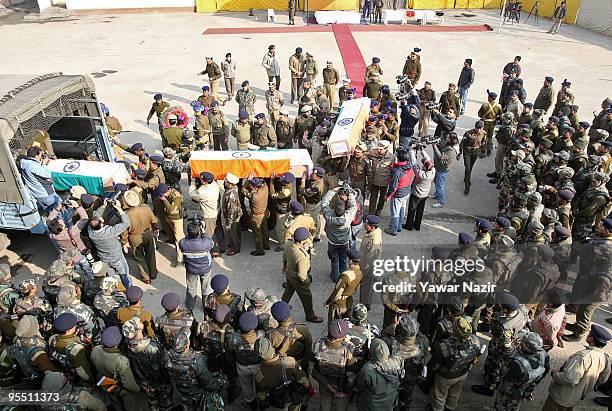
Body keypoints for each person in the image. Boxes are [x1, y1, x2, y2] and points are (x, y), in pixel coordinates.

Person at [542, 324, 611, 411]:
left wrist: (555, 374)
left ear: (591, 338)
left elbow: (569, 379)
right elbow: (603, 378)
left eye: (589, 333)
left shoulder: (582, 357)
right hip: (576, 395)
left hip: (561, 397)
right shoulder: (605, 358)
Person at [429, 318, 482, 411]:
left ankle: (437, 409)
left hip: (446, 376)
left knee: (440, 395)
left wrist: (430, 372)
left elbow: (435, 364)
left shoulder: (444, 345)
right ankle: (450, 407)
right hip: (463, 373)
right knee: (455, 392)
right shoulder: (475, 340)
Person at [164, 328, 223, 410]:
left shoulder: (167, 357)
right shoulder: (195, 360)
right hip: (198, 395)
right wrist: (216, 387)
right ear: (187, 345)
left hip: (182, 392)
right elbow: (207, 381)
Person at [122, 316, 173, 410]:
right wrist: (163, 381)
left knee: (152, 401)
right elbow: (160, 368)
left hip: (143, 382)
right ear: (137, 331)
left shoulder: (126, 346)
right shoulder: (152, 347)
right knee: (165, 400)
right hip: (158, 382)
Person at [493, 332, 549, 410]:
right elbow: (545, 371)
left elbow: (506, 383)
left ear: (526, 347)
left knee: (501, 407)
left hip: (510, 392)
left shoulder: (519, 364)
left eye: (522, 342)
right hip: (525, 388)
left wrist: (508, 349)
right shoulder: (544, 355)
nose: (520, 341)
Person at [254, 337, 312, 411]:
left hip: (278, 401)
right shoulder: (289, 361)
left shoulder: (259, 373)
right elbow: (304, 381)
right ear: (272, 349)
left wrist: (263, 403)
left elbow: (261, 395)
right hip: (293, 397)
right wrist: (309, 388)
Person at [383, 315, 428, 409]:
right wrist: (413, 328)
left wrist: (394, 325)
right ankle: (404, 406)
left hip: (394, 376)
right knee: (407, 393)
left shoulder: (391, 344)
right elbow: (422, 336)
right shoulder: (422, 343)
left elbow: (383, 335)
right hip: (411, 376)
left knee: (392, 393)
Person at [312, 319, 358, 411]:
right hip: (342, 386)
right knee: (341, 407)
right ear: (342, 337)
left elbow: (313, 370)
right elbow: (351, 376)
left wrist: (328, 386)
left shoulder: (317, 344)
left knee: (325, 404)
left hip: (324, 383)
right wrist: (346, 391)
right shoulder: (348, 350)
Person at [91, 326, 140, 410]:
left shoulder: (95, 350)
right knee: (130, 405)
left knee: (115, 403)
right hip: (120, 388)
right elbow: (128, 383)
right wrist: (137, 390)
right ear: (118, 342)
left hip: (105, 384)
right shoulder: (121, 361)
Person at [281, 227, 322, 323]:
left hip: (289, 273)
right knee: (307, 298)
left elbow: (284, 256)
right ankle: (310, 316)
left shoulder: (288, 243)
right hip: (298, 279)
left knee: (288, 292)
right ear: (303, 241)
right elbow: (302, 276)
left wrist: (284, 267)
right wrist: (307, 281)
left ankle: (280, 308)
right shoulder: (301, 256)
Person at [88, 199, 132, 289]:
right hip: (117, 257)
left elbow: (95, 218)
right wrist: (119, 208)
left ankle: (113, 289)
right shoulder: (110, 232)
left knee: (110, 276)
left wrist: (103, 206)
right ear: (101, 225)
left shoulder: (91, 232)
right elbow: (126, 223)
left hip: (104, 258)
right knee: (124, 274)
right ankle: (129, 289)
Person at [226, 312, 264, 409]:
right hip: (258, 367)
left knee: (247, 386)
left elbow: (229, 351)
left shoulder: (234, 337)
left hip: (242, 367)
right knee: (261, 384)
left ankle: (251, 402)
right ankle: (263, 400)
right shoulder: (261, 335)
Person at [48, 201, 93, 279]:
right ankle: (91, 278)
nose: (60, 219)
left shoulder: (52, 235)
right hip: (81, 254)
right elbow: (85, 218)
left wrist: (57, 209)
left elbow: (49, 221)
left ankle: (82, 280)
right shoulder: (73, 232)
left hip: (70, 258)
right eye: (60, 220)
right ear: (61, 226)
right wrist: (77, 206)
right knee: (87, 268)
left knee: (78, 271)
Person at [355, 338, 403, 411]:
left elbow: (360, 386)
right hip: (388, 403)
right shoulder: (397, 361)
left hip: (370, 406)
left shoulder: (368, 369)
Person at [121, 190, 158, 284]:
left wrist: (124, 242)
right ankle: (153, 273)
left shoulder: (126, 215)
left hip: (134, 238)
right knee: (151, 253)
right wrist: (155, 229)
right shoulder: (146, 208)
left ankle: (146, 277)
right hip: (148, 233)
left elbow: (124, 231)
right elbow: (154, 221)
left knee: (139, 257)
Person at [322, 187, 358, 283]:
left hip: (332, 242)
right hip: (344, 242)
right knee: (344, 259)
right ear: (344, 210)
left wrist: (332, 191)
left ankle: (335, 277)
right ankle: (344, 277)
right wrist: (350, 195)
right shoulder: (348, 217)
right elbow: (354, 206)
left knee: (334, 260)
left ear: (334, 209)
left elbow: (324, 203)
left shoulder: (329, 215)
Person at [48, 313, 95, 384]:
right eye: (74, 326)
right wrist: (92, 380)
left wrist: (75, 337)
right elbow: (82, 373)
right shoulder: (76, 348)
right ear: (68, 330)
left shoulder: (52, 339)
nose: (76, 327)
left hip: (62, 371)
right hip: (74, 378)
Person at [179, 221, 214, 311]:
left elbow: (186, 240)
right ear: (198, 232)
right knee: (206, 288)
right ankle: (206, 305)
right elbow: (211, 242)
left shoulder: (183, 243)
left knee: (191, 287)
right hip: (205, 269)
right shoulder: (205, 243)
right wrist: (203, 232)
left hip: (191, 270)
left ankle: (190, 305)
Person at [190, 171, 222, 257]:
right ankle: (220, 248)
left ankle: (215, 251)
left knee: (208, 234)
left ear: (206, 182)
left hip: (208, 215)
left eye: (201, 179)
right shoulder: (214, 184)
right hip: (215, 211)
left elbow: (192, 195)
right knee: (215, 230)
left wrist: (193, 182)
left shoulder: (203, 192)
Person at [325, 249, 362, 322]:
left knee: (334, 324)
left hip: (339, 304)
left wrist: (328, 302)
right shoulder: (360, 273)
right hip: (349, 300)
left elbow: (337, 293)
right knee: (346, 321)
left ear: (351, 261)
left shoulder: (345, 276)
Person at [19, 146, 61, 211]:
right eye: (41, 155)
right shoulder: (33, 166)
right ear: (36, 156)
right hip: (46, 194)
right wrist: (44, 164)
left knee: (50, 212)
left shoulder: (24, 162)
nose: (42, 156)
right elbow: (47, 175)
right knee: (58, 209)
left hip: (37, 194)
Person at [385, 147, 415, 235]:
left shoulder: (397, 171)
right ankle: (399, 226)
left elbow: (393, 187)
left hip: (398, 194)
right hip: (406, 191)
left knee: (395, 212)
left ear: (398, 158)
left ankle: (393, 230)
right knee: (402, 209)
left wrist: (388, 195)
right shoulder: (409, 165)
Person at [41, 372, 106, 411]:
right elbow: (101, 407)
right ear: (60, 386)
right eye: (61, 377)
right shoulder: (81, 396)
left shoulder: (44, 402)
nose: (62, 373)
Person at [404, 149, 435, 230]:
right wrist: (423, 151)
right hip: (425, 195)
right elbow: (428, 159)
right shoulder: (432, 171)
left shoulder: (420, 174)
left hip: (416, 194)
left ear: (424, 167)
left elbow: (414, 162)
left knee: (412, 209)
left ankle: (409, 226)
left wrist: (412, 152)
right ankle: (417, 225)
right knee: (420, 210)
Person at [156, 183, 184, 265]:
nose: (161, 197)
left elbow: (171, 209)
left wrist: (164, 199)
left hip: (176, 218)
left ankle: (180, 259)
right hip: (168, 217)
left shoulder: (176, 196)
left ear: (167, 191)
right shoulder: (164, 192)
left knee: (179, 238)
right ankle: (172, 240)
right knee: (172, 233)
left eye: (163, 195)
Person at [242, 176, 270, 256]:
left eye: (251, 184)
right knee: (264, 229)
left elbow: (243, 190)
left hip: (257, 216)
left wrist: (248, 180)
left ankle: (260, 250)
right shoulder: (265, 188)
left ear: (254, 187)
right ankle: (266, 245)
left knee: (257, 233)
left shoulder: (254, 196)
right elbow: (263, 182)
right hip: (265, 212)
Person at [431, 132, 459, 208]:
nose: (446, 139)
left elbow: (440, 156)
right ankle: (437, 195)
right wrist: (437, 142)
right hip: (439, 166)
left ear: (452, 140)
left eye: (448, 138)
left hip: (442, 169)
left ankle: (441, 202)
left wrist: (434, 146)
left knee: (440, 185)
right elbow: (441, 146)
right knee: (436, 181)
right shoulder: (447, 143)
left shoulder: (451, 150)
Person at [359, 215, 382, 309]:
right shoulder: (374, 231)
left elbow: (371, 260)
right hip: (369, 263)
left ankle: (364, 306)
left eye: (366, 224)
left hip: (369, 267)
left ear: (372, 227)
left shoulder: (373, 241)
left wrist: (363, 271)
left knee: (366, 287)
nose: (364, 225)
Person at [367, 140, 395, 215]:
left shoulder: (392, 158)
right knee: (373, 198)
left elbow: (393, 171)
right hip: (374, 180)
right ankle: (371, 214)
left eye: (381, 149)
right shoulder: (373, 153)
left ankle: (378, 212)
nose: (379, 150)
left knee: (382, 198)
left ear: (386, 148)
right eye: (378, 148)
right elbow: (365, 155)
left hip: (384, 182)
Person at [459, 120, 486, 195]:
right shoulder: (468, 133)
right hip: (467, 151)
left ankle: (466, 178)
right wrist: (459, 153)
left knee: (470, 167)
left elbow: (483, 142)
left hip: (475, 152)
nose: (479, 130)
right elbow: (462, 143)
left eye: (481, 128)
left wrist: (483, 152)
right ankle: (467, 187)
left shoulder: (483, 134)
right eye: (477, 128)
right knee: (467, 168)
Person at [222, 172, 243, 255]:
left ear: (230, 184)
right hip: (236, 215)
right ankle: (235, 244)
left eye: (226, 181)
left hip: (232, 217)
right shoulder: (234, 188)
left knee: (232, 232)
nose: (224, 181)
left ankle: (235, 248)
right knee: (236, 231)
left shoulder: (231, 195)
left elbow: (232, 210)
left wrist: (229, 223)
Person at [478, 90, 503, 158]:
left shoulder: (485, 105)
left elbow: (479, 114)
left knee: (483, 136)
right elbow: (500, 115)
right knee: (489, 136)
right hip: (492, 123)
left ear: (491, 98)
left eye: (489, 96)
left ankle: (483, 151)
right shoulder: (498, 106)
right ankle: (489, 150)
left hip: (485, 123)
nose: (488, 97)